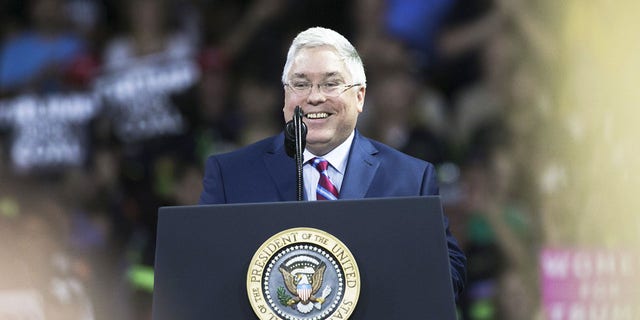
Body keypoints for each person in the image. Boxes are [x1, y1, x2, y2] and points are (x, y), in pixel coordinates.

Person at [198, 26, 466, 298]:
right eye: (301, 84)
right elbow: (202, 271)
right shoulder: (230, 174)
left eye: (330, 83)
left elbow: (448, 275)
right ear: (285, 96)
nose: (314, 97)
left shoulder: (409, 177)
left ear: (360, 96)